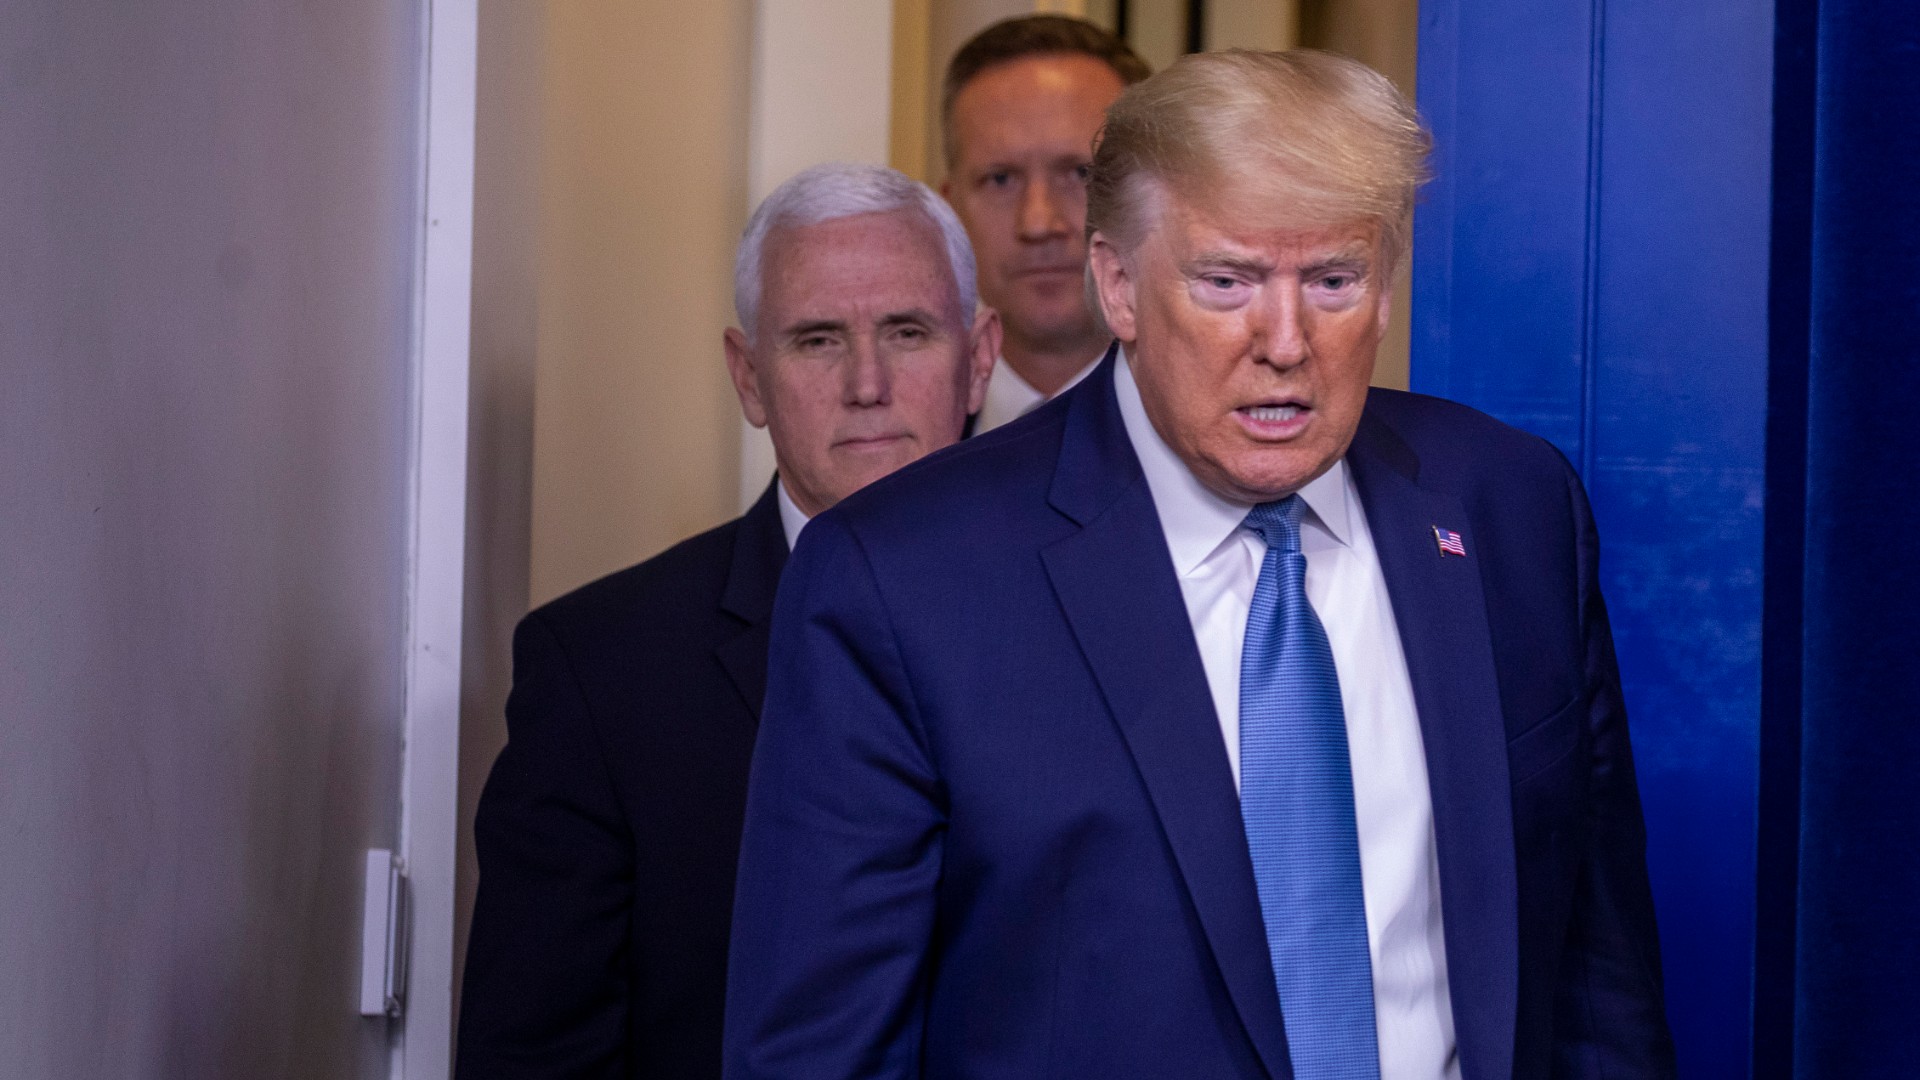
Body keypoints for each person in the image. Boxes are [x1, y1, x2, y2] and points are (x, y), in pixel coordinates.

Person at [725, 51, 1676, 1080]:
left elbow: (1598, 985)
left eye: (1333, 280)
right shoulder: (900, 580)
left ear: (1389, 289)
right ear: (1119, 285)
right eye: (1226, 282)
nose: (1285, 341)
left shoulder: (1508, 509)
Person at [457, 163, 997, 1080]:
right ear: (749, 378)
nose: (867, 382)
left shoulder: (1103, 618)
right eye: (818, 340)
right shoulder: (603, 670)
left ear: (978, 359)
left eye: (907, 332)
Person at [940, 15, 1149, 432]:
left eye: (1080, 174)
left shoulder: (1243, 446)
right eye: (1000, 179)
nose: (1038, 223)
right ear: (949, 210)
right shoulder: (898, 444)